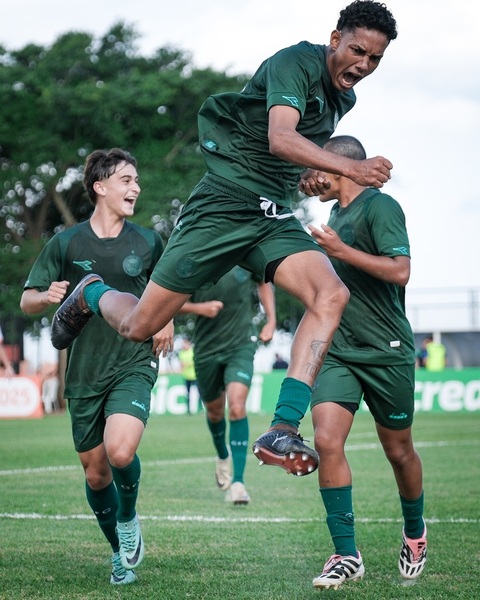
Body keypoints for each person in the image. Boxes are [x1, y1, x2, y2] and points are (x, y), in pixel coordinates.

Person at [50, 1, 398, 478]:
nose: (364, 64)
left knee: (331, 292)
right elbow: (279, 137)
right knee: (138, 327)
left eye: (375, 59)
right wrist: (350, 167)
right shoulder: (295, 61)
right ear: (335, 39)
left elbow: (290, 160)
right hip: (223, 202)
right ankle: (91, 293)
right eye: (358, 50)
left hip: (270, 214)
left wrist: (311, 177)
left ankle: (282, 427)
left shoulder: (344, 98)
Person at [20, 148, 172, 585]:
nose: (136, 188)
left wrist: (170, 319)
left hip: (132, 362)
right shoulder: (66, 243)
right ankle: (117, 553)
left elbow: (170, 287)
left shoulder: (147, 241)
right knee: (96, 469)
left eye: (136, 180)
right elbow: (26, 300)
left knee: (121, 451)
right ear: (100, 187)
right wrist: (45, 296)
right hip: (83, 372)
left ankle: (128, 520)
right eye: (126, 180)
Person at [300, 135, 426, 589]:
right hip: (340, 351)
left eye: (320, 168)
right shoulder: (335, 213)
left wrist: (340, 251)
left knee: (399, 451)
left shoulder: (380, 207)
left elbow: (400, 270)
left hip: (386, 350)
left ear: (340, 166)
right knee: (326, 441)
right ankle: (345, 553)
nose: (314, 178)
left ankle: (415, 530)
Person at [182, 266, 276, 504]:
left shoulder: (244, 254)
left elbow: (264, 282)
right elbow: (170, 300)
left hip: (241, 345)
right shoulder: (195, 257)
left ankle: (239, 483)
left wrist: (271, 320)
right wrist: (199, 308)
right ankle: (223, 455)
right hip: (206, 349)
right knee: (214, 412)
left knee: (236, 406)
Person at [177, 337, 198, 413]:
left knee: (199, 393)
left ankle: (200, 409)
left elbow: (195, 362)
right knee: (187, 393)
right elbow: (181, 365)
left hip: (195, 376)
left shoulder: (192, 351)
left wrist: (187, 364)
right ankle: (188, 410)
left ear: (189, 343)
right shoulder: (181, 353)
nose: (184, 345)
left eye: (185, 343)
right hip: (186, 376)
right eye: (183, 343)